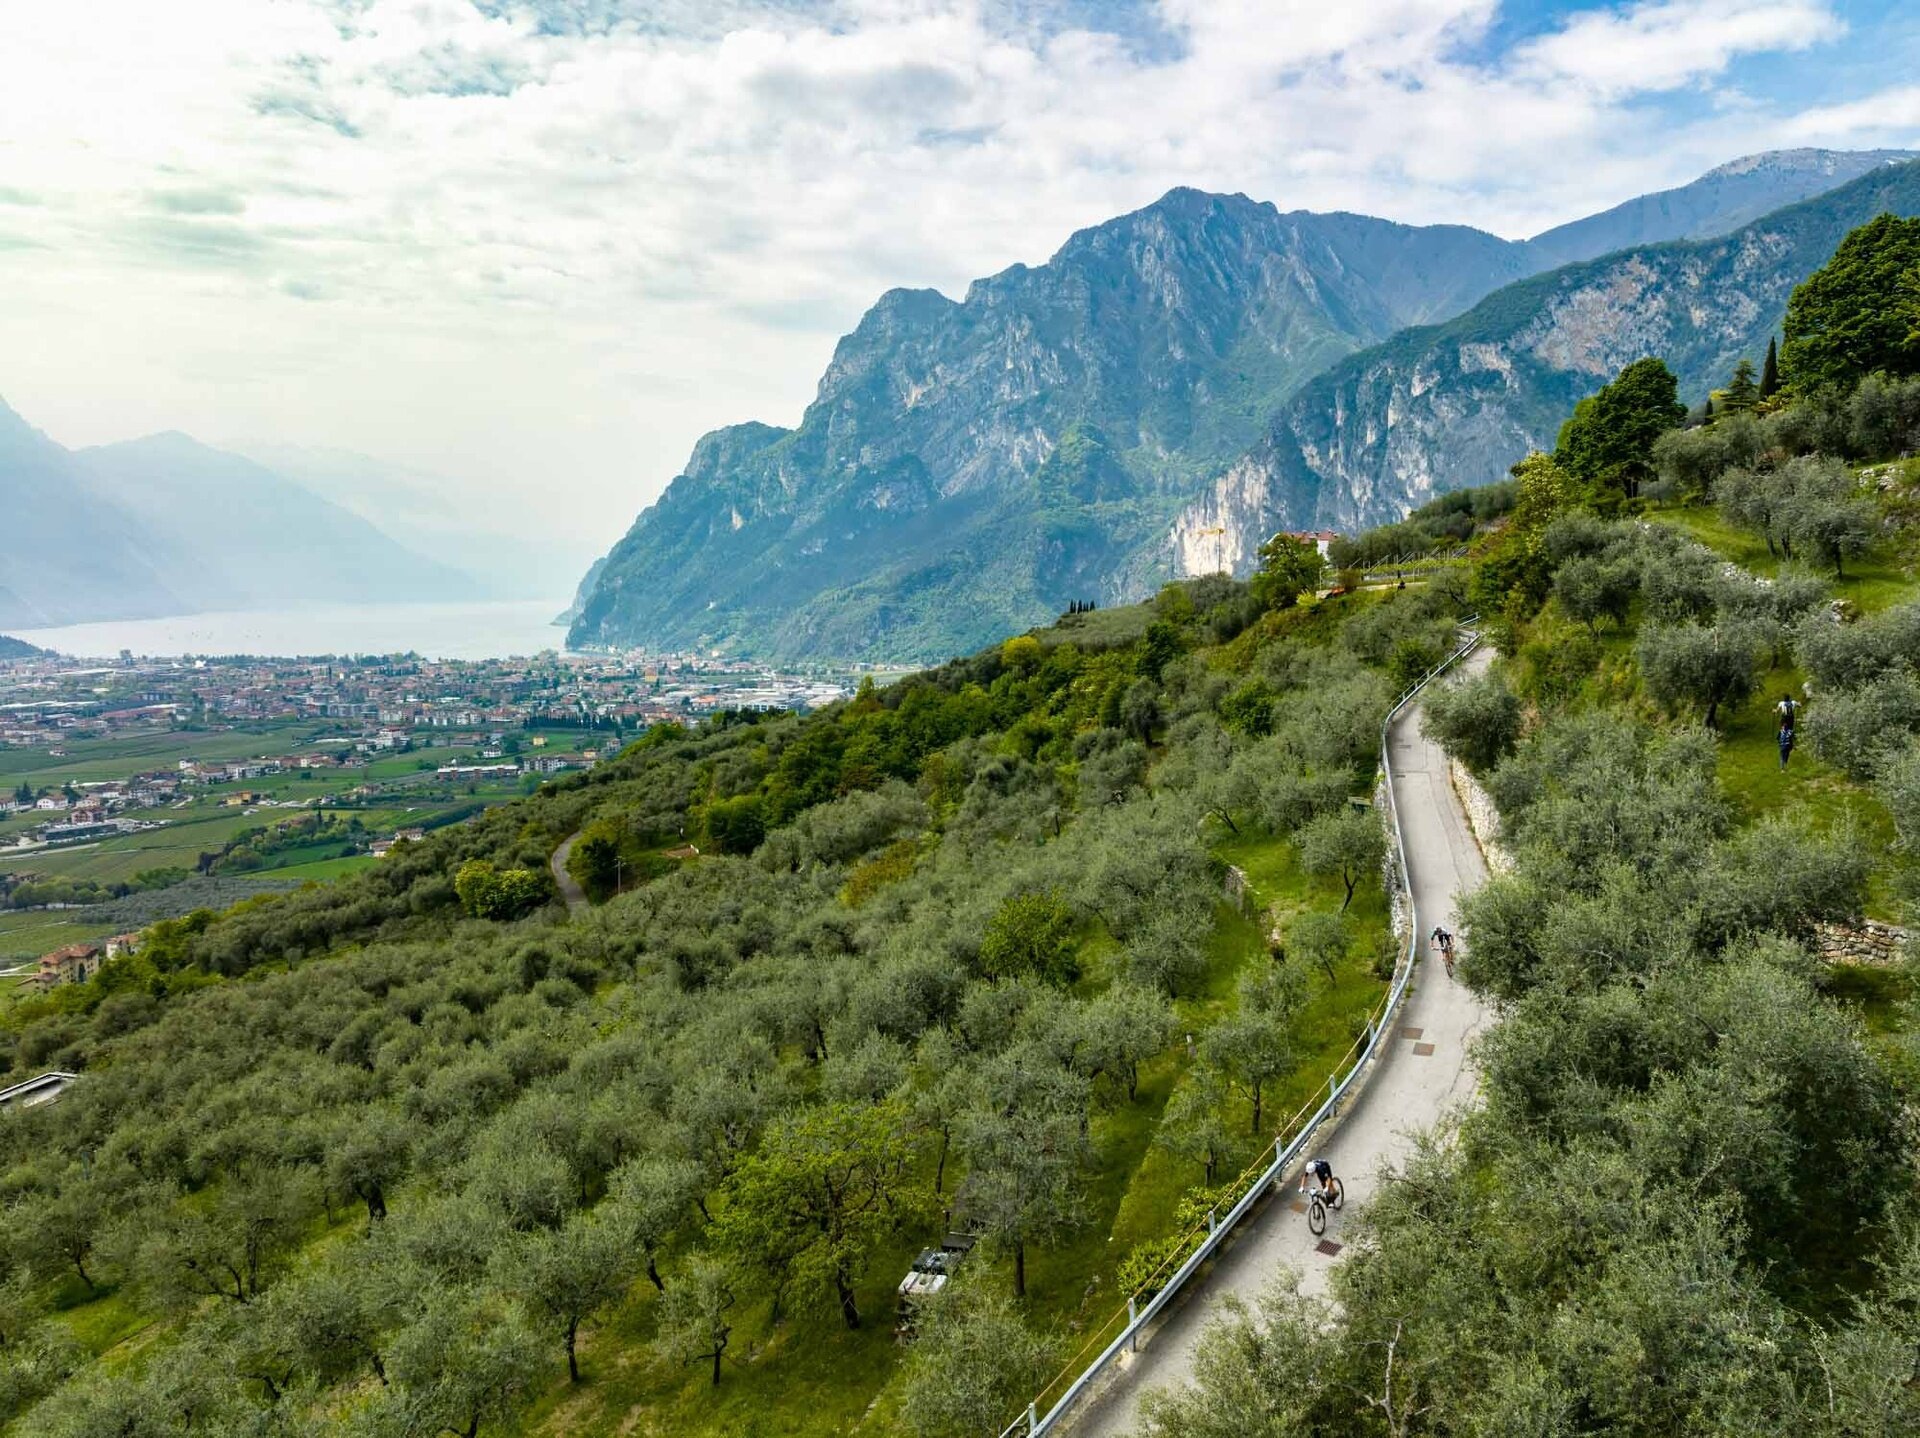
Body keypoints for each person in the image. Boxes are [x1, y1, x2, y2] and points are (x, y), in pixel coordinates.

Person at [1776, 693, 1798, 771]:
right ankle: (1791, 742)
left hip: (1784, 717)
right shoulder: (1793, 702)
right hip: (1791, 718)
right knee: (1790, 730)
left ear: (1784, 698)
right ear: (1789, 698)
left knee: (1783, 729)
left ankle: (1782, 739)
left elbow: (1777, 710)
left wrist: (1774, 711)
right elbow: (1799, 705)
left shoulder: (1781, 703)